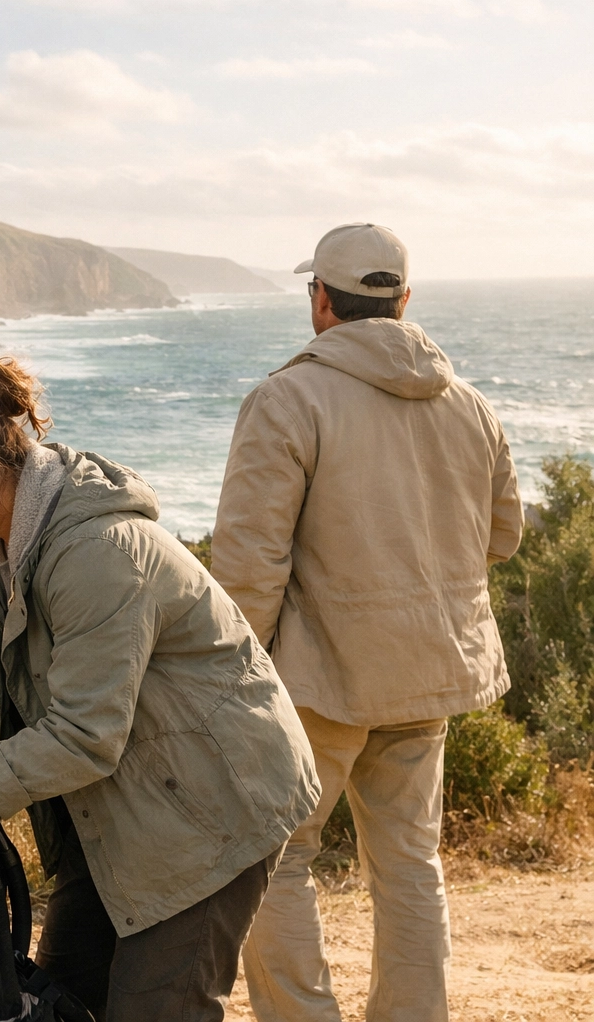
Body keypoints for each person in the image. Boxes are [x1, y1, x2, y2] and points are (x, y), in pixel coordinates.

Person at [0, 356, 320, 1022]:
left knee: (155, 1009)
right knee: (58, 1004)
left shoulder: (98, 552)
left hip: (208, 809)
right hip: (115, 812)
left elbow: (84, 737)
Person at [212, 223, 522, 1022]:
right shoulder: (471, 404)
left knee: (273, 860)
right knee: (410, 861)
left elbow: (249, 566)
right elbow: (505, 537)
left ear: (319, 301)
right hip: (429, 671)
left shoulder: (287, 398)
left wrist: (223, 683)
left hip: (316, 682)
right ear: (404, 301)